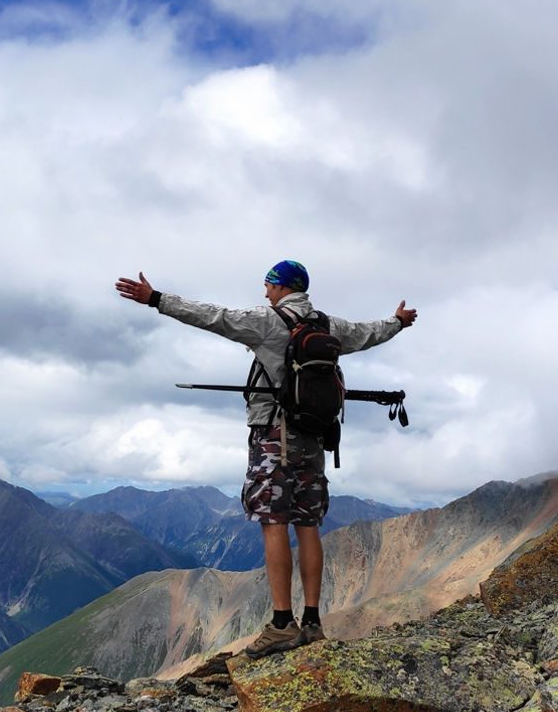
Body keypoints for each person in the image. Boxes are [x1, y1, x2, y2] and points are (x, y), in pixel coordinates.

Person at [115, 260, 416, 657]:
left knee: (274, 523)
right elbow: (368, 333)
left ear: (281, 286)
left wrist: (156, 299)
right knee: (308, 525)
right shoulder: (328, 326)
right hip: (314, 439)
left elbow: (213, 317)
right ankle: (312, 623)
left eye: (268, 285)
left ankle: (280, 624)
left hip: (274, 437)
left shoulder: (267, 321)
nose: (264, 293)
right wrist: (396, 322)